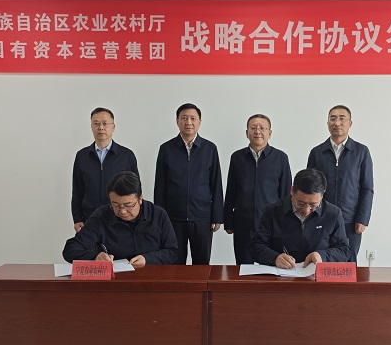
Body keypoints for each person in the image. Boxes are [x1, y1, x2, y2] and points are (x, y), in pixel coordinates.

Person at [154, 103, 223, 265]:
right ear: (177, 121)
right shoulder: (166, 149)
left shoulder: (210, 148)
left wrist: (217, 216)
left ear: (200, 122)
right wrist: (159, 218)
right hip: (173, 218)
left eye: (193, 118)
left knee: (202, 264)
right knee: (175, 262)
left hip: (202, 217)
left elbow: (216, 183)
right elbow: (160, 186)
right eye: (184, 118)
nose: (188, 122)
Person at [63, 171, 177, 267]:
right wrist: (94, 257)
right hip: (115, 280)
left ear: (140, 199)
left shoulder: (158, 215)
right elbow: (70, 249)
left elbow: (172, 252)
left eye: (128, 205)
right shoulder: (101, 216)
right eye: (116, 204)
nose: (122, 211)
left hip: (152, 277)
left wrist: (147, 259)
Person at [307, 105, 373, 263]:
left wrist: (362, 218)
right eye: (333, 118)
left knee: (348, 265)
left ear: (350, 123)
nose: (337, 123)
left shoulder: (361, 152)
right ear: (327, 123)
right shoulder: (317, 152)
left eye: (342, 118)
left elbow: (367, 188)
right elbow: (309, 189)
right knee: (321, 263)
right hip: (321, 218)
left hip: (350, 220)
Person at [224, 114, 292, 265]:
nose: (257, 131)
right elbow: (231, 190)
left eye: (262, 128)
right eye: (253, 128)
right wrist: (228, 220)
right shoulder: (237, 157)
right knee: (243, 267)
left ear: (270, 133)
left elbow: (286, 194)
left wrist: (285, 222)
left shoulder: (281, 158)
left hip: (271, 224)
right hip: (243, 222)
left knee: (270, 267)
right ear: (246, 133)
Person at [249, 168, 351, 268]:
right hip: (281, 273)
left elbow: (344, 250)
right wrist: (275, 258)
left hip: (316, 274)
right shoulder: (273, 211)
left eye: (313, 205)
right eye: (300, 204)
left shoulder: (333, 214)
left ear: (322, 195)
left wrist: (322, 256)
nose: (306, 211)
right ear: (292, 191)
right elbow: (255, 246)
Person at [71, 107, 139, 233]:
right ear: (91, 127)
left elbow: (136, 191)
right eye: (96, 123)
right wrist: (77, 218)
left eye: (105, 123)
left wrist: (135, 218)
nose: (101, 127)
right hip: (90, 219)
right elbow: (77, 190)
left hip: (121, 218)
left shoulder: (127, 155)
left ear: (113, 127)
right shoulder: (82, 156)